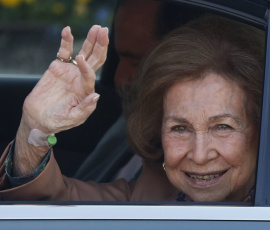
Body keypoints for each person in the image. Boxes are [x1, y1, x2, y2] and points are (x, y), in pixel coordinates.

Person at [0, 14, 264, 202]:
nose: (199, 155)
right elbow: (51, 204)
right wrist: (33, 132)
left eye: (222, 126)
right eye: (179, 128)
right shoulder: (150, 194)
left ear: (262, 130)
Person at [74, 0, 203, 182]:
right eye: (119, 58)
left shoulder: (186, 160)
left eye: (137, 62)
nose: (119, 79)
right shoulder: (138, 124)